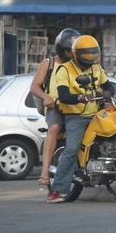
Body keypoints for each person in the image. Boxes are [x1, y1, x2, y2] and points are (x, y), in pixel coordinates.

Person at [46, 35, 115, 204]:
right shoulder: (64, 69)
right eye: (87, 55)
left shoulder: (97, 68)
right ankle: (57, 190)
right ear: (76, 54)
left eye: (93, 54)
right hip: (76, 116)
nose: (90, 58)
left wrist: (106, 94)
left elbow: (109, 86)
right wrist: (80, 98)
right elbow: (63, 95)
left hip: (97, 114)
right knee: (71, 150)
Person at [31, 28, 80, 186]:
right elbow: (35, 87)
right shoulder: (48, 63)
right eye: (67, 50)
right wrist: (46, 97)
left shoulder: (79, 64)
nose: (69, 54)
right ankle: (45, 172)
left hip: (78, 106)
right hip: (56, 106)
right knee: (54, 128)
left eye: (72, 50)